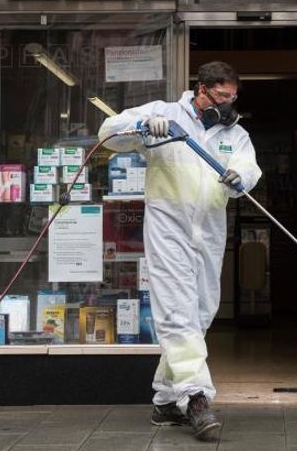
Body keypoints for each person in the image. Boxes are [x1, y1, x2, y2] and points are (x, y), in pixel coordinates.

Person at [98, 61, 261, 441]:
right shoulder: (162, 115)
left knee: (202, 310)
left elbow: (248, 166)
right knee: (176, 312)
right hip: (168, 227)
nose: (227, 104)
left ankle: (165, 401)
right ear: (201, 91)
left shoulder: (233, 132)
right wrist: (140, 128)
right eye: (222, 97)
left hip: (209, 228)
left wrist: (241, 177)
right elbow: (108, 136)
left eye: (232, 98)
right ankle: (196, 397)